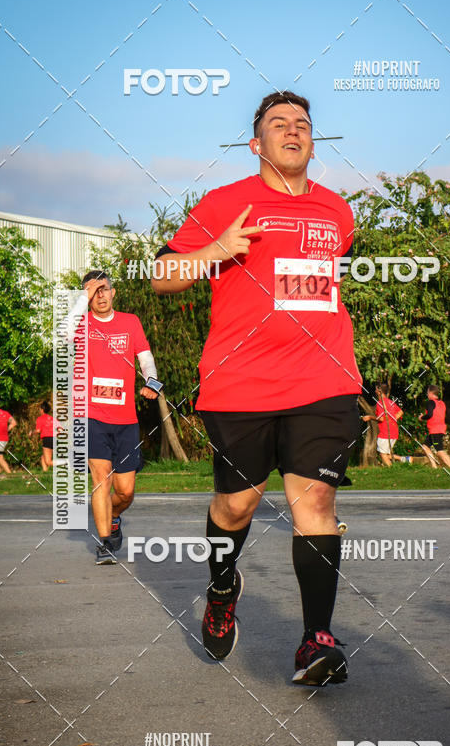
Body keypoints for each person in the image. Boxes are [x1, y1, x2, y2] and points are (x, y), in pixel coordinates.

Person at [152, 90, 362, 686]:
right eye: (278, 124)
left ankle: (316, 639)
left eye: (302, 123)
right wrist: (216, 251)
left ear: (312, 142)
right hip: (239, 381)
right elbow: (163, 275)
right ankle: (222, 587)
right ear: (257, 143)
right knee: (237, 504)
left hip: (323, 378)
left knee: (316, 501)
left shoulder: (337, 212)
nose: (292, 131)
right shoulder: (226, 201)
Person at [68, 271, 161, 563]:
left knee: (125, 491)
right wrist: (82, 297)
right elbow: (62, 334)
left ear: (113, 292)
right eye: (94, 291)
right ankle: (105, 543)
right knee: (101, 479)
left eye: (104, 288)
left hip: (125, 419)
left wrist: (152, 381)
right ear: (87, 296)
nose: (100, 295)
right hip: (90, 414)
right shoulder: (81, 323)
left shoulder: (130, 322)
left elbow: (144, 356)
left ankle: (114, 516)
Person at [362, 383, 404, 467]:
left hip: (385, 432)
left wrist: (370, 417)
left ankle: (392, 470)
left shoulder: (380, 403)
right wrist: (392, 419)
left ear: (379, 391)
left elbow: (381, 419)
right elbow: (401, 412)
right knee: (385, 453)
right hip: (394, 431)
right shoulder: (391, 402)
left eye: (376, 389)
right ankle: (403, 459)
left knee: (383, 455)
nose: (375, 391)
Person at [418, 385, 450, 469]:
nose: (427, 394)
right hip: (440, 429)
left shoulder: (430, 402)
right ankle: (434, 466)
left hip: (435, 430)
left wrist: (421, 418)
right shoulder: (442, 403)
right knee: (425, 446)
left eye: (427, 392)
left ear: (431, 393)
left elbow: (430, 415)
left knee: (439, 451)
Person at [34, 401, 56, 471]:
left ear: (42, 409)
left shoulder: (40, 418)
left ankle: (65, 463)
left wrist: (31, 432)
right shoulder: (52, 418)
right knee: (43, 457)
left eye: (39, 409)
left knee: (48, 462)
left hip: (47, 439)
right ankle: (45, 472)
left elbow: (38, 431)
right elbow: (60, 429)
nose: (39, 410)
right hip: (54, 438)